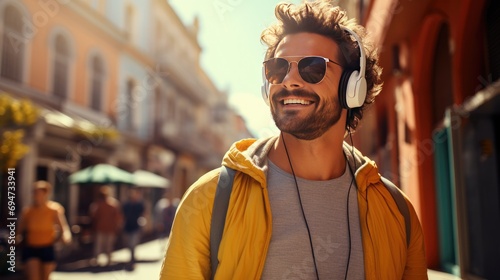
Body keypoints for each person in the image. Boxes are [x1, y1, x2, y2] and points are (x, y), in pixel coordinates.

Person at [160, 1, 428, 279]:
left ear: (352, 87)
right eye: (277, 68)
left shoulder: (398, 212)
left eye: (312, 67)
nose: (289, 80)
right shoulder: (208, 200)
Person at [17, 180, 72, 280]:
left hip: (47, 247)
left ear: (46, 193)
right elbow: (19, 230)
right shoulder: (28, 211)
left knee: (45, 277)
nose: (37, 195)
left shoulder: (54, 209)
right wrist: (16, 239)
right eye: (35, 192)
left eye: (39, 192)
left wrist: (66, 236)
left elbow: (63, 226)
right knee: (34, 277)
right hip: (31, 247)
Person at [89, 185, 122, 266]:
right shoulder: (111, 204)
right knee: (106, 245)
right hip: (107, 228)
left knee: (101, 245)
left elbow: (93, 215)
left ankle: (101, 260)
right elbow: (118, 218)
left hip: (103, 227)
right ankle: (107, 260)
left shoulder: (101, 204)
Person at [122, 188, 145, 265]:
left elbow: (143, 213)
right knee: (128, 242)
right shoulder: (126, 205)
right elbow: (123, 214)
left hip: (135, 226)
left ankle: (132, 256)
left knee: (133, 242)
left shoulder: (139, 205)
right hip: (128, 226)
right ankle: (131, 254)